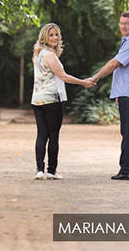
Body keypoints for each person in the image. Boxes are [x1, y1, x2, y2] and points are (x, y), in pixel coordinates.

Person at [87, 11, 129, 181]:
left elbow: (114, 64)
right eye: (121, 23)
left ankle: (127, 170)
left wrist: (95, 77)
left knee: (128, 131)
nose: (123, 27)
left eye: (127, 23)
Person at [31, 23, 95, 180]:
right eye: (51, 35)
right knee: (53, 135)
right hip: (52, 99)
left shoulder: (38, 54)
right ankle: (51, 171)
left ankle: (40, 170)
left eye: (56, 35)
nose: (54, 38)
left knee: (41, 134)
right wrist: (84, 82)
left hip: (38, 98)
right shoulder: (50, 55)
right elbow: (64, 76)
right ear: (44, 37)